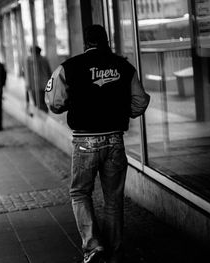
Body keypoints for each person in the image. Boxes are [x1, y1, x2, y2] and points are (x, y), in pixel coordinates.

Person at [45, 25, 150, 263]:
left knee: (80, 192)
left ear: (86, 43)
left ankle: (93, 246)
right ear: (107, 41)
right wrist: (124, 112)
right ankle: (114, 252)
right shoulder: (124, 66)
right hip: (115, 139)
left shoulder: (69, 67)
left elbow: (54, 102)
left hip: (85, 142)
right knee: (113, 198)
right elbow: (140, 101)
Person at [25, 46, 52, 113]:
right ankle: (45, 115)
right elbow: (49, 73)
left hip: (35, 86)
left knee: (37, 103)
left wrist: (27, 85)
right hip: (45, 84)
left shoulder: (29, 60)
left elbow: (27, 74)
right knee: (44, 102)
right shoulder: (45, 59)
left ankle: (41, 118)